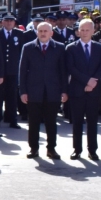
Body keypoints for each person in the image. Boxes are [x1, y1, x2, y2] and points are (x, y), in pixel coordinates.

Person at [18, 22, 67, 159]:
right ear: (36, 33)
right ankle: (33, 148)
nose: (43, 33)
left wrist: (64, 91)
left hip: (53, 91)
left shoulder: (59, 47)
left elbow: (63, 71)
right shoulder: (28, 48)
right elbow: (22, 71)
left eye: (46, 31)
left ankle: (51, 148)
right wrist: (23, 91)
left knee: (51, 122)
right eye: (40, 31)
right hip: (33, 91)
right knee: (33, 122)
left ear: (51, 33)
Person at [65, 19, 101, 160]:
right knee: (77, 122)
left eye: (87, 30)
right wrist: (87, 80)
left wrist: (93, 82)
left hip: (94, 90)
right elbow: (71, 68)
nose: (84, 32)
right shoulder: (71, 48)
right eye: (81, 30)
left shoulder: (100, 48)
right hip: (77, 90)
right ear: (77, 31)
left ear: (93, 31)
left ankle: (92, 150)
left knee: (93, 122)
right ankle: (77, 149)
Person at [0, 13, 24, 129]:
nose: (9, 23)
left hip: (13, 70)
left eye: (11, 21)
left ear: (14, 22)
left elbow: (22, 52)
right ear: (2, 22)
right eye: (6, 20)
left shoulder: (19, 34)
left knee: (12, 97)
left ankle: (12, 119)